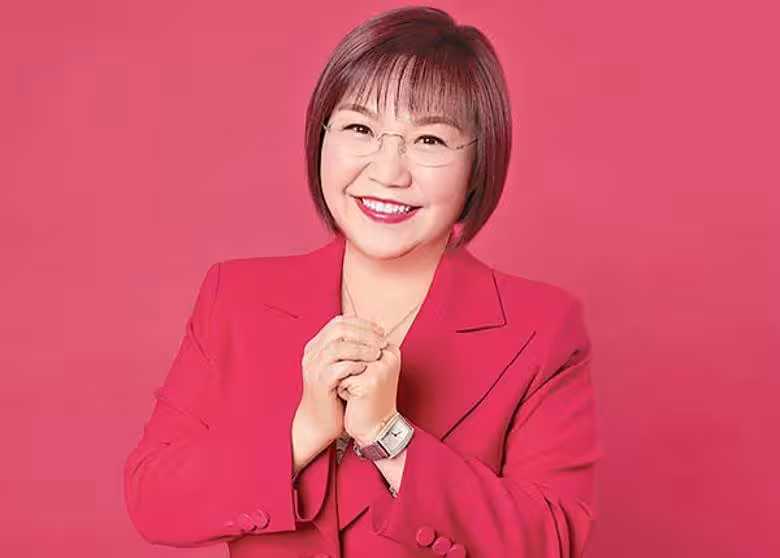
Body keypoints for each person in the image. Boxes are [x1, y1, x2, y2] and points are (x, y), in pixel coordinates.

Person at [124, 6, 599, 558]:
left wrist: (389, 436)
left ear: (478, 164)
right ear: (321, 136)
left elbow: (552, 538)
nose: (388, 172)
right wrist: (303, 432)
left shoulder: (542, 330)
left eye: (430, 140)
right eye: (360, 129)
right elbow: (152, 498)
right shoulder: (235, 297)